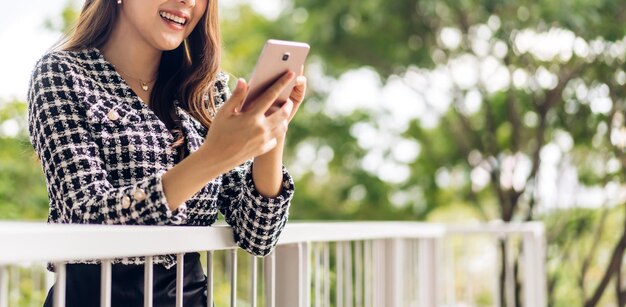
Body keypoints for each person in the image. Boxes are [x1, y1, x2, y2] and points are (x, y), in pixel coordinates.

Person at [27, 0, 306, 305]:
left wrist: (271, 131)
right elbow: (86, 216)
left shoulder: (205, 91)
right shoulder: (61, 73)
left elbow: (258, 235)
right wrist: (212, 157)